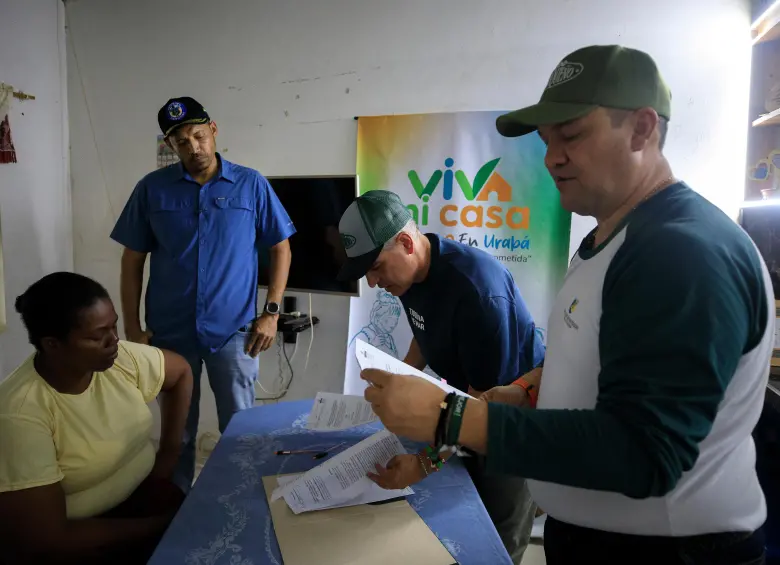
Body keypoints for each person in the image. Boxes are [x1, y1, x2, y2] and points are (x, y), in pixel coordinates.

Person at [361, 45, 774, 565]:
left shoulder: (680, 252)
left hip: (668, 552)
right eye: (546, 140)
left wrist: (453, 418)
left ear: (642, 129)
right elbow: (592, 364)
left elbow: (645, 452)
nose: (551, 157)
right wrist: (525, 391)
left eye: (571, 135)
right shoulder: (608, 240)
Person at [337, 190, 545, 563]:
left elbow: (478, 409)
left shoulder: (476, 291)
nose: (373, 281)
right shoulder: (410, 275)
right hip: (467, 403)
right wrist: (399, 375)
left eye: (376, 267)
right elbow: (425, 328)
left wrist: (423, 464)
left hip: (510, 422)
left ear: (406, 243)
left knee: (496, 538)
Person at [111, 97, 296, 491]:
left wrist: (271, 312)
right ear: (170, 145)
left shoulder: (250, 184)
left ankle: (243, 500)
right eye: (181, 141)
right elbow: (132, 260)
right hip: (170, 333)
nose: (193, 147)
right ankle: (176, 505)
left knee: (240, 431)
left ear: (213, 130)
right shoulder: (151, 189)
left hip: (234, 333)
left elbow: (281, 247)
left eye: (198, 135)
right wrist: (133, 328)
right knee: (177, 433)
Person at [0, 272, 193, 565]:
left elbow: (180, 372)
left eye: (113, 326)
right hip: (82, 539)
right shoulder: (20, 414)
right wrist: (160, 525)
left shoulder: (119, 359)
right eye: (96, 336)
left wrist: (168, 454)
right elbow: (49, 538)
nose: (114, 340)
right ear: (52, 344)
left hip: (141, 498)